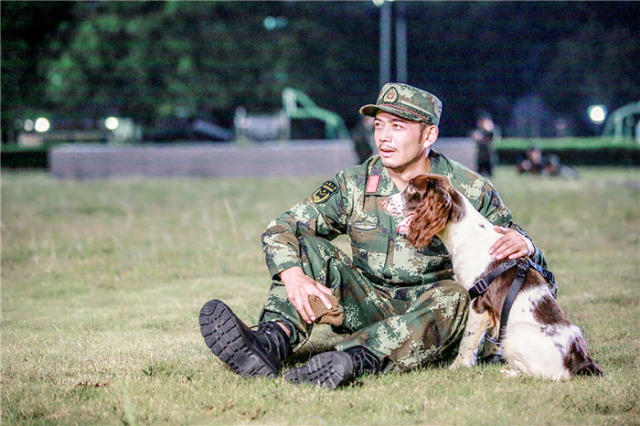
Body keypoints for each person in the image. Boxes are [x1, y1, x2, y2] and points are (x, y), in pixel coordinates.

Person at [199, 83, 548, 389]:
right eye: (379, 125)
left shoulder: (468, 189)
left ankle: (355, 360)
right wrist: (292, 275)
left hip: (431, 317)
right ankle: (270, 342)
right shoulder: (353, 184)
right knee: (306, 249)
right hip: (368, 303)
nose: (383, 136)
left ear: (428, 135)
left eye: (398, 126)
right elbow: (283, 226)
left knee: (457, 296)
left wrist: (528, 246)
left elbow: (534, 271)